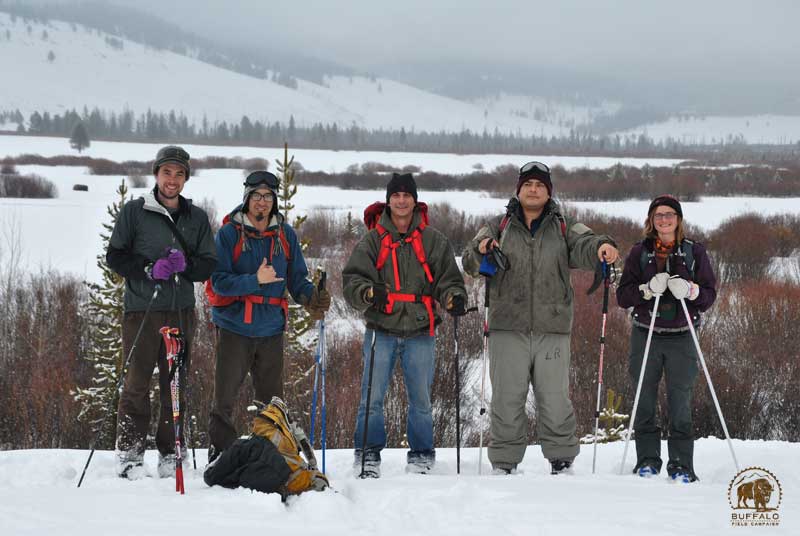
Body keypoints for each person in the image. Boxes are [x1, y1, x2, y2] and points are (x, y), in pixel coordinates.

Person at [461, 161, 619, 475]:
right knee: (506, 399)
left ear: (548, 192)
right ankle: (504, 462)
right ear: (518, 190)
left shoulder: (564, 226)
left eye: (540, 185)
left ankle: (562, 460)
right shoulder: (497, 226)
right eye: (528, 185)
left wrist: (603, 247)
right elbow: (469, 261)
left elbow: (586, 244)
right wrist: (482, 249)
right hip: (507, 326)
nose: (533, 190)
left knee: (555, 398)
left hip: (553, 327)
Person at [343, 173, 467, 477]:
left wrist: (453, 298)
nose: (401, 201)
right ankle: (367, 454)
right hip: (380, 328)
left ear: (415, 200)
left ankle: (422, 454)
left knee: (421, 399)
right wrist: (368, 293)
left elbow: (449, 279)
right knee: (371, 397)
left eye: (406, 195)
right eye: (396, 195)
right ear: (388, 201)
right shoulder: (372, 240)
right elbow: (352, 280)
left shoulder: (433, 240)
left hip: (421, 329)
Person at [107, 145, 217, 479]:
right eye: (167, 172)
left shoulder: (196, 218)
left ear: (186, 178)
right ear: (156, 174)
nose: (172, 179)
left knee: (176, 385)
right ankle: (129, 454)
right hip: (141, 311)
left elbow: (208, 264)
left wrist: (187, 267)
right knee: (136, 384)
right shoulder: (135, 211)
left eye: (179, 174)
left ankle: (171, 453)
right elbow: (115, 256)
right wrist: (148, 268)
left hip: (180, 310)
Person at [207, 171, 330, 463]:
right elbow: (218, 281)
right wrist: (255, 280)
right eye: (256, 196)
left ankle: (270, 452)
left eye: (268, 196)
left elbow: (296, 279)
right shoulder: (228, 234)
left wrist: (312, 297)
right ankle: (221, 453)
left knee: (272, 401)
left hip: (271, 328)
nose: (262, 202)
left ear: (274, 201)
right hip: (234, 327)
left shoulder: (285, 235)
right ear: (247, 198)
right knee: (224, 397)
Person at [616, 194, 716, 482]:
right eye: (658, 215)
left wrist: (692, 291)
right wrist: (646, 290)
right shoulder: (640, 252)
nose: (664, 219)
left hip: (682, 335)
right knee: (644, 399)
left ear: (678, 219)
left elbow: (709, 295)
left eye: (669, 214)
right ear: (651, 220)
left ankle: (681, 464)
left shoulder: (694, 252)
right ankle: (647, 460)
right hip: (645, 333)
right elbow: (623, 296)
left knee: (680, 401)